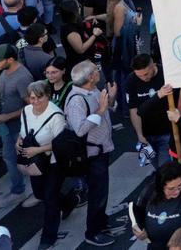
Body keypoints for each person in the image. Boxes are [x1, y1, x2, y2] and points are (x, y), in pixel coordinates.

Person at [63, 60, 122, 247]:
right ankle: (93, 231)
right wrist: (101, 108)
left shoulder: (93, 90)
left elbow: (107, 110)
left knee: (101, 191)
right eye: (95, 70)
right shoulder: (76, 100)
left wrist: (110, 99)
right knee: (97, 193)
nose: (98, 71)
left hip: (101, 149)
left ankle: (101, 223)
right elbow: (80, 129)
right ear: (90, 77)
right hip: (91, 154)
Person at [0, 43, 35, 208]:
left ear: (10, 59)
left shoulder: (23, 77)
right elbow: (6, 95)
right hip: (7, 126)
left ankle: (31, 192)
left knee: (26, 160)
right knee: (10, 158)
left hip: (19, 127)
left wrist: (6, 116)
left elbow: (31, 106)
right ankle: (18, 190)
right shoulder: (4, 71)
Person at [17, 80, 66, 249]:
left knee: (50, 199)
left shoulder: (56, 115)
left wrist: (37, 151)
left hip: (53, 162)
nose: (35, 101)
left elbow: (61, 143)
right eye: (32, 98)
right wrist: (19, 141)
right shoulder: (26, 111)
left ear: (48, 96)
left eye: (40, 97)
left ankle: (48, 237)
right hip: (35, 163)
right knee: (40, 193)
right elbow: (23, 130)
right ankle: (69, 202)